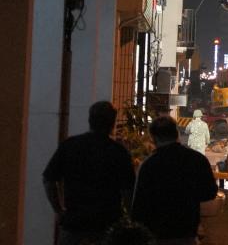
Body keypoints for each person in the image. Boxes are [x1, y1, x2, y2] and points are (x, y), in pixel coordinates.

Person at [42, 101, 136, 245]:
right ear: (112, 123)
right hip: (107, 225)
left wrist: (59, 210)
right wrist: (130, 220)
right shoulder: (118, 152)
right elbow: (128, 192)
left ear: (90, 120)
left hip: (74, 223)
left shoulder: (70, 145)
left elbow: (49, 179)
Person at [132, 115, 218, 244]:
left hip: (158, 235)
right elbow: (210, 192)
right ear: (177, 133)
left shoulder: (148, 165)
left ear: (153, 138)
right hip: (187, 233)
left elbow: (138, 208)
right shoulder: (197, 159)